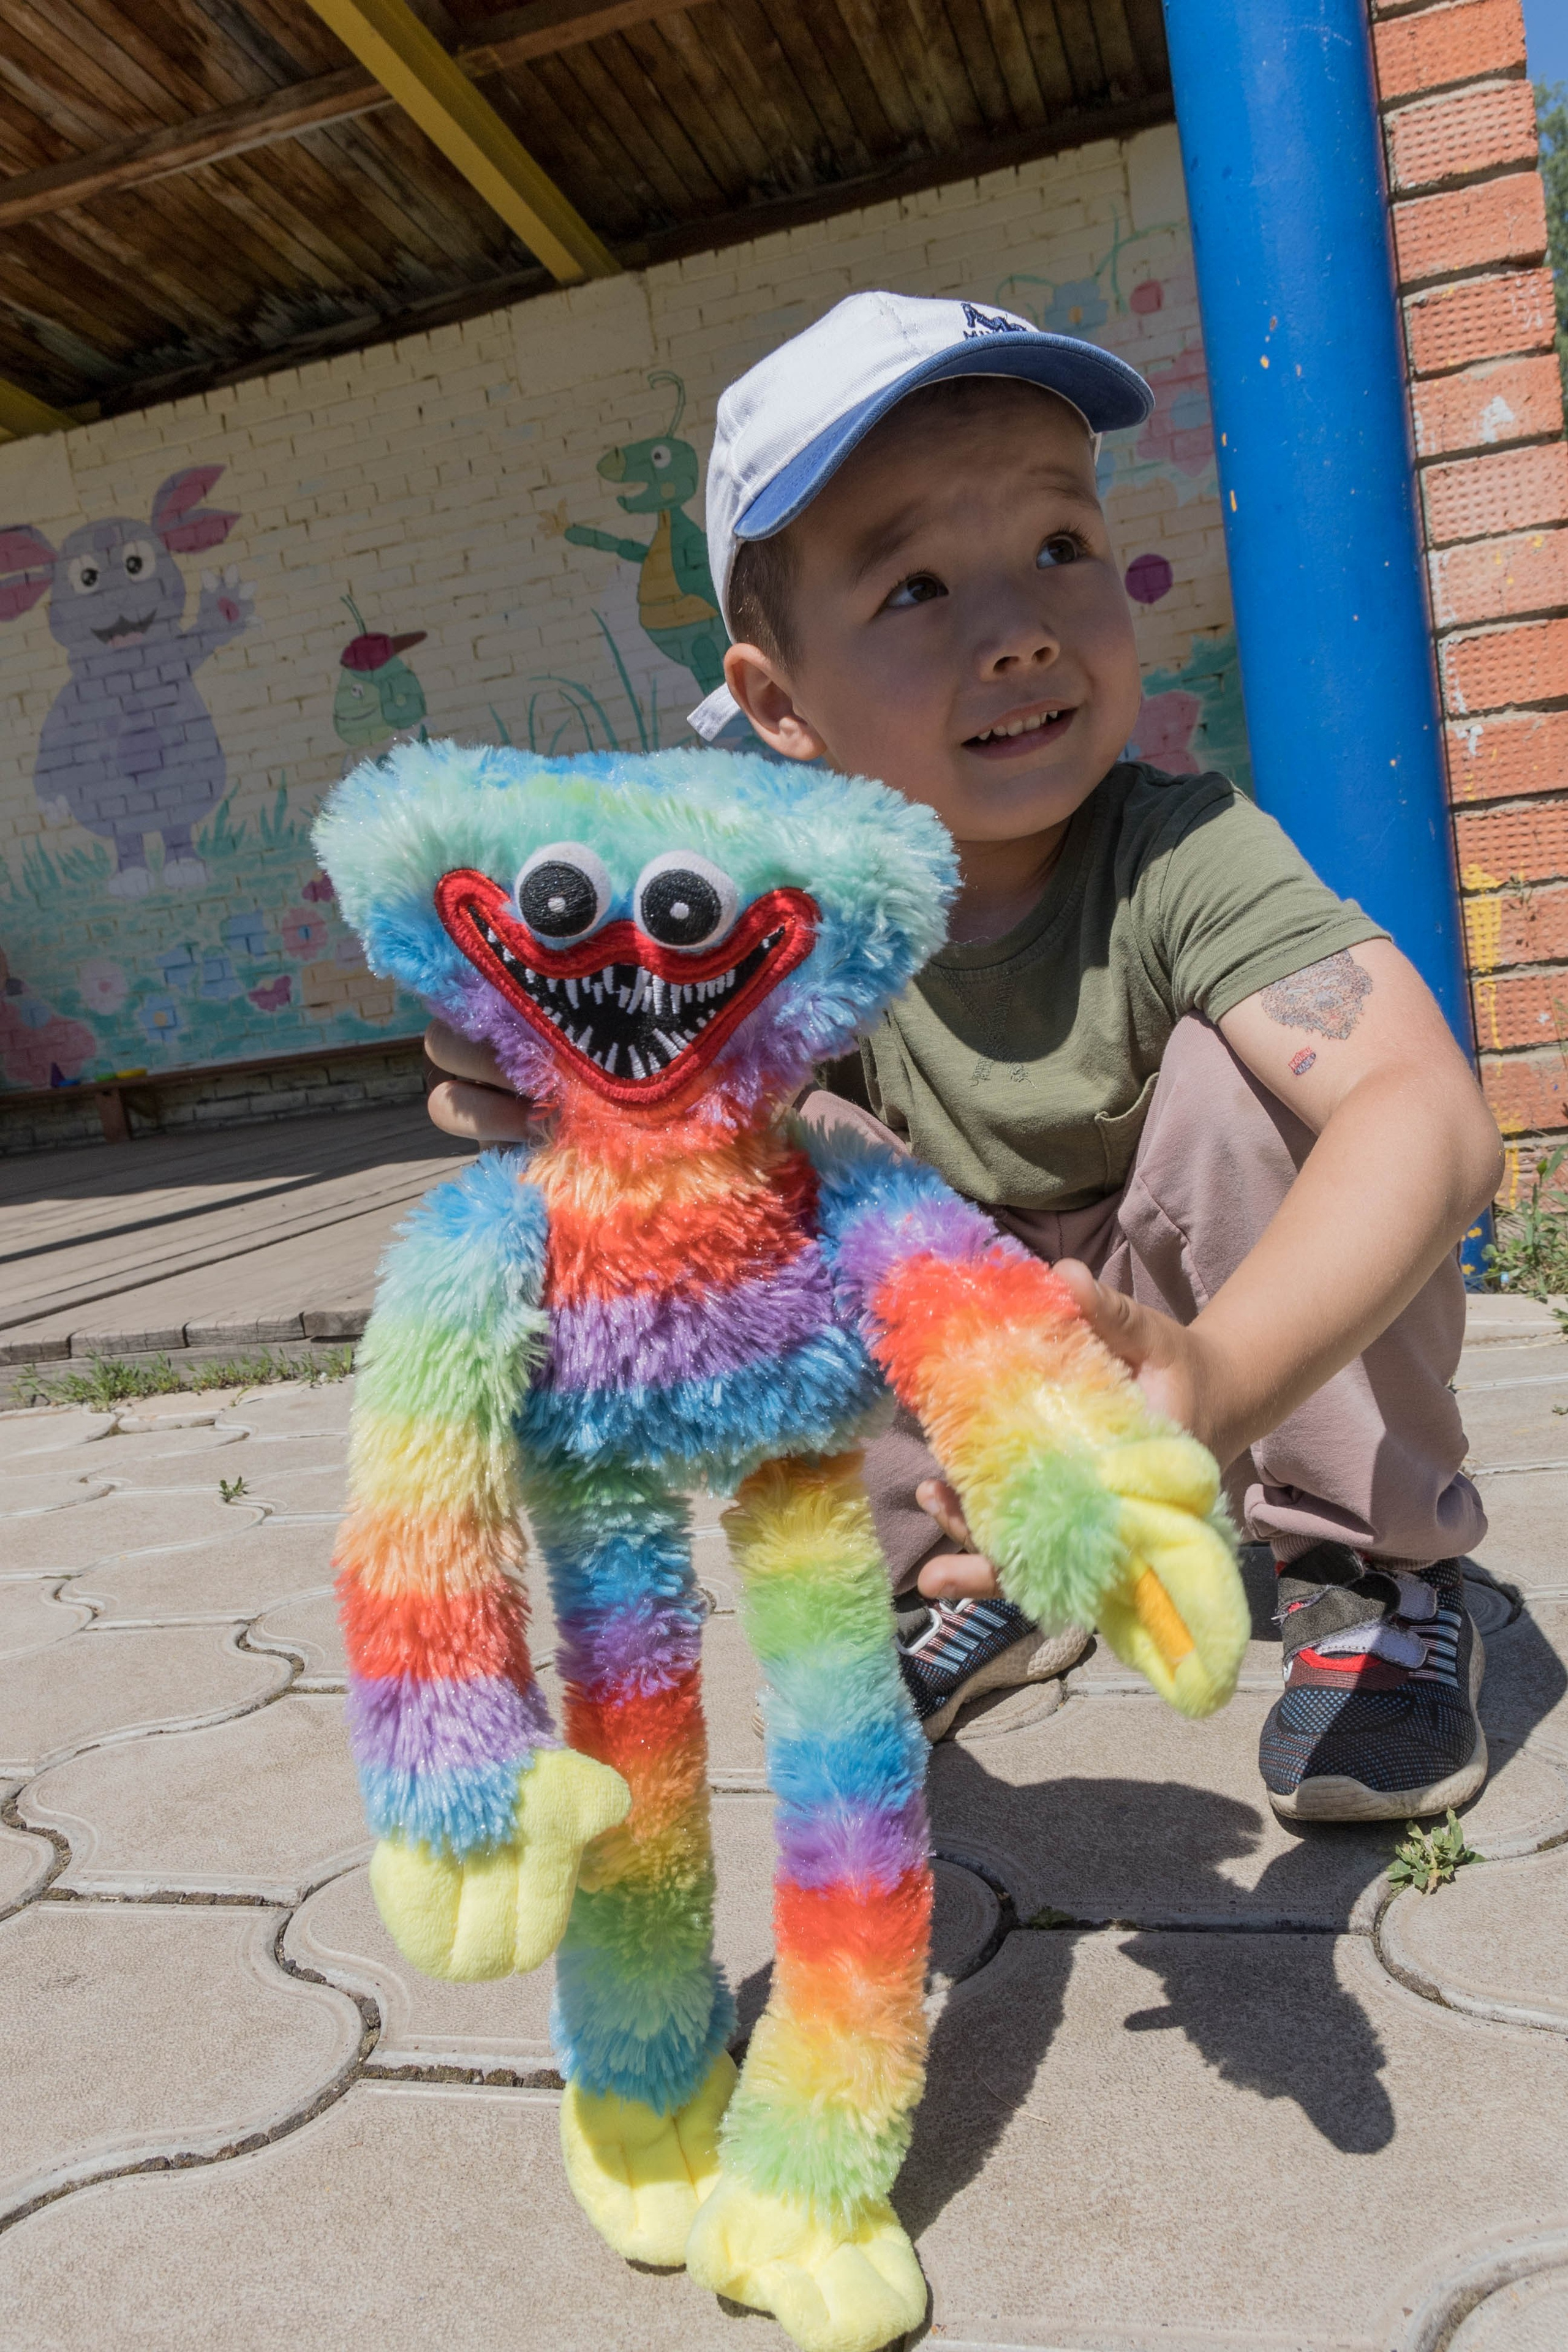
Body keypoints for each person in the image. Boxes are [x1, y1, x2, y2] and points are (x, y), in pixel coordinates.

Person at [426, 290, 1502, 1823]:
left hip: (1177, 1320)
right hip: (974, 1347)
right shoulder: (764, 913)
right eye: (918, 584)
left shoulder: (1180, 846)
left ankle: (1364, 1568)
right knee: (765, 1158)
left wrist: (1210, 1381)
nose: (1020, 629)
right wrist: (561, 1069)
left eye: (1059, 545)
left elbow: (1430, 1117)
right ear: (778, 706)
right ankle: (955, 1569)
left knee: (1255, 1086)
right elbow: (638, 1119)